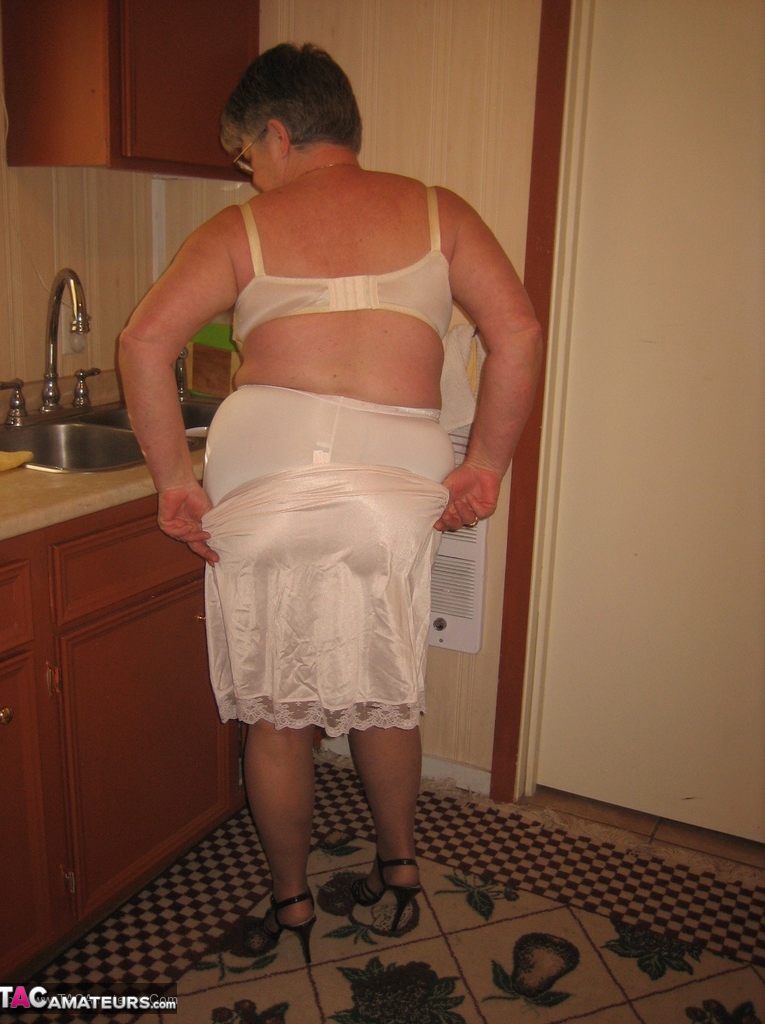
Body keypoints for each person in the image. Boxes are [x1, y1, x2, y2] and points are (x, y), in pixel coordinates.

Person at [118, 43, 542, 965]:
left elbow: (144, 342)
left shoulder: (244, 228)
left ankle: (292, 905)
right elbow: (517, 331)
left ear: (279, 134)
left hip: (265, 475)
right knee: (387, 693)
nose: (251, 175)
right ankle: (399, 875)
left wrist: (175, 482)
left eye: (248, 155)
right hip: (396, 481)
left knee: (279, 712)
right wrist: (487, 467)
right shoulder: (439, 211)